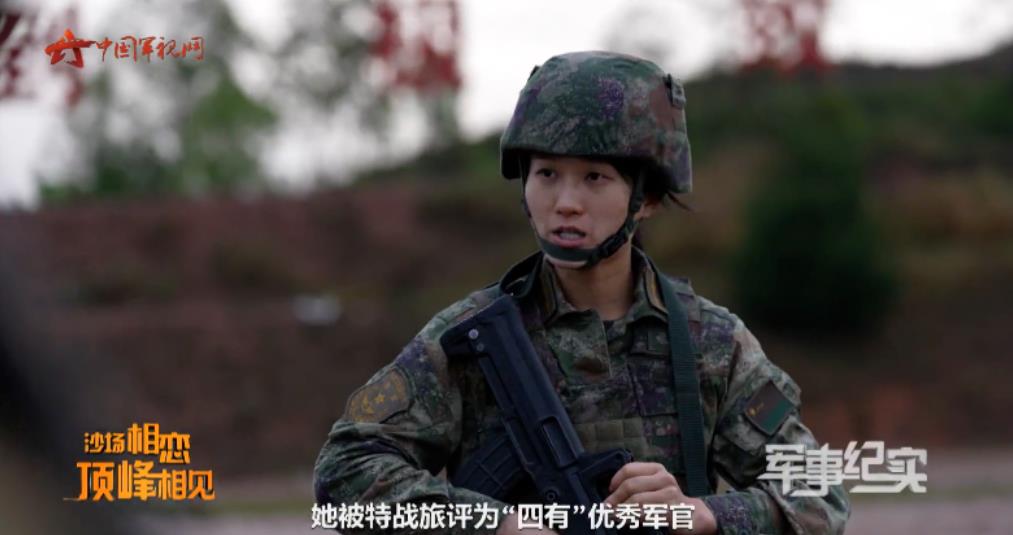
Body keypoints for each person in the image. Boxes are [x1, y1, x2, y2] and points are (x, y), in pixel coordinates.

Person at [313, 51, 850, 534]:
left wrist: (705, 514)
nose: (565, 202)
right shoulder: (469, 339)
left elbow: (820, 494)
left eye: (594, 178)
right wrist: (495, 525)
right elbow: (344, 473)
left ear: (647, 198)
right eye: (547, 174)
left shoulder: (712, 344)